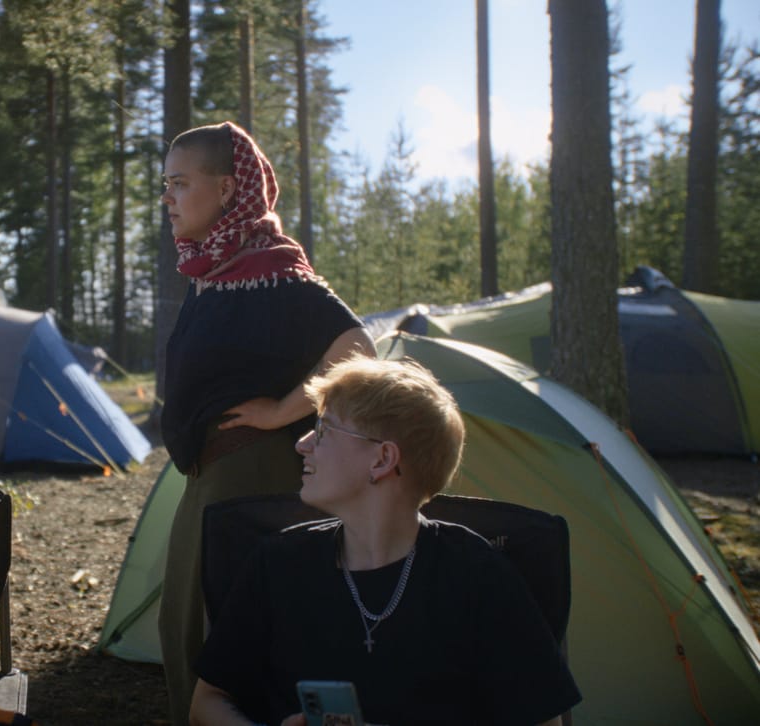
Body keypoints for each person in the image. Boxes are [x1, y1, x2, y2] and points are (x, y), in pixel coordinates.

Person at [190, 355, 581, 726]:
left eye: (324, 430)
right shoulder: (278, 562)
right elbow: (206, 703)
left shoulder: (478, 575)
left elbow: (544, 719)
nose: (302, 444)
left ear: (381, 460)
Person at [156, 121, 375, 724]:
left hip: (252, 479)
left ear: (228, 190)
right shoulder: (215, 274)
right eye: (165, 185)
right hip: (212, 477)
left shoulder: (275, 273)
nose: (168, 198)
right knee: (186, 622)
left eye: (180, 183)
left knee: (219, 633)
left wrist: (283, 410)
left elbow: (360, 349)